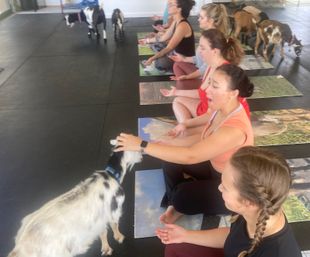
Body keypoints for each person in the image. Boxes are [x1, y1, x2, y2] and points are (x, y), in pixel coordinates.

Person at [116, 63, 254, 223]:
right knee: (169, 156)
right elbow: (203, 138)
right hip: (214, 166)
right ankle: (176, 200)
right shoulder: (220, 107)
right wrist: (164, 143)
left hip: (232, 185)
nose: (207, 89)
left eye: (214, 86)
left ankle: (179, 199)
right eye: (209, 83)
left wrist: (143, 145)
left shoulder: (234, 129)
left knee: (181, 196)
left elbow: (191, 156)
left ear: (232, 93)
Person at [156, 146, 302, 257]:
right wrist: (185, 235)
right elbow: (234, 236)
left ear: (248, 201)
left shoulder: (276, 251)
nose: (219, 188)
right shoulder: (260, 208)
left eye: (225, 187)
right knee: (175, 248)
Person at [161, 29, 248, 123]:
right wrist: (175, 92)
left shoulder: (222, 74)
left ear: (214, 51)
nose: (199, 51)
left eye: (203, 48)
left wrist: (187, 125)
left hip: (221, 118)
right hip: (208, 109)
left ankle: (189, 131)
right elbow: (200, 93)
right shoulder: (211, 65)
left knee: (183, 119)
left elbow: (218, 115)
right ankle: (187, 131)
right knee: (177, 101)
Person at [169, 3, 229, 90]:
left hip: (208, 77)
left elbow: (206, 68)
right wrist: (184, 59)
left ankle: (192, 88)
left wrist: (187, 77)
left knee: (181, 83)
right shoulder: (208, 35)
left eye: (201, 17)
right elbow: (199, 58)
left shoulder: (213, 39)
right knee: (178, 64)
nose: (198, 19)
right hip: (201, 71)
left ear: (211, 21)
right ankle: (187, 87)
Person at [139, 0, 196, 72]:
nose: (168, 6)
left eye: (171, 4)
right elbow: (163, 38)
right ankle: (162, 54)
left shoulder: (182, 25)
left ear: (179, 9)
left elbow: (169, 47)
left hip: (182, 58)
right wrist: (146, 41)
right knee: (151, 39)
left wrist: (152, 58)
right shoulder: (176, 21)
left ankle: (178, 66)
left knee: (160, 64)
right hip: (174, 51)